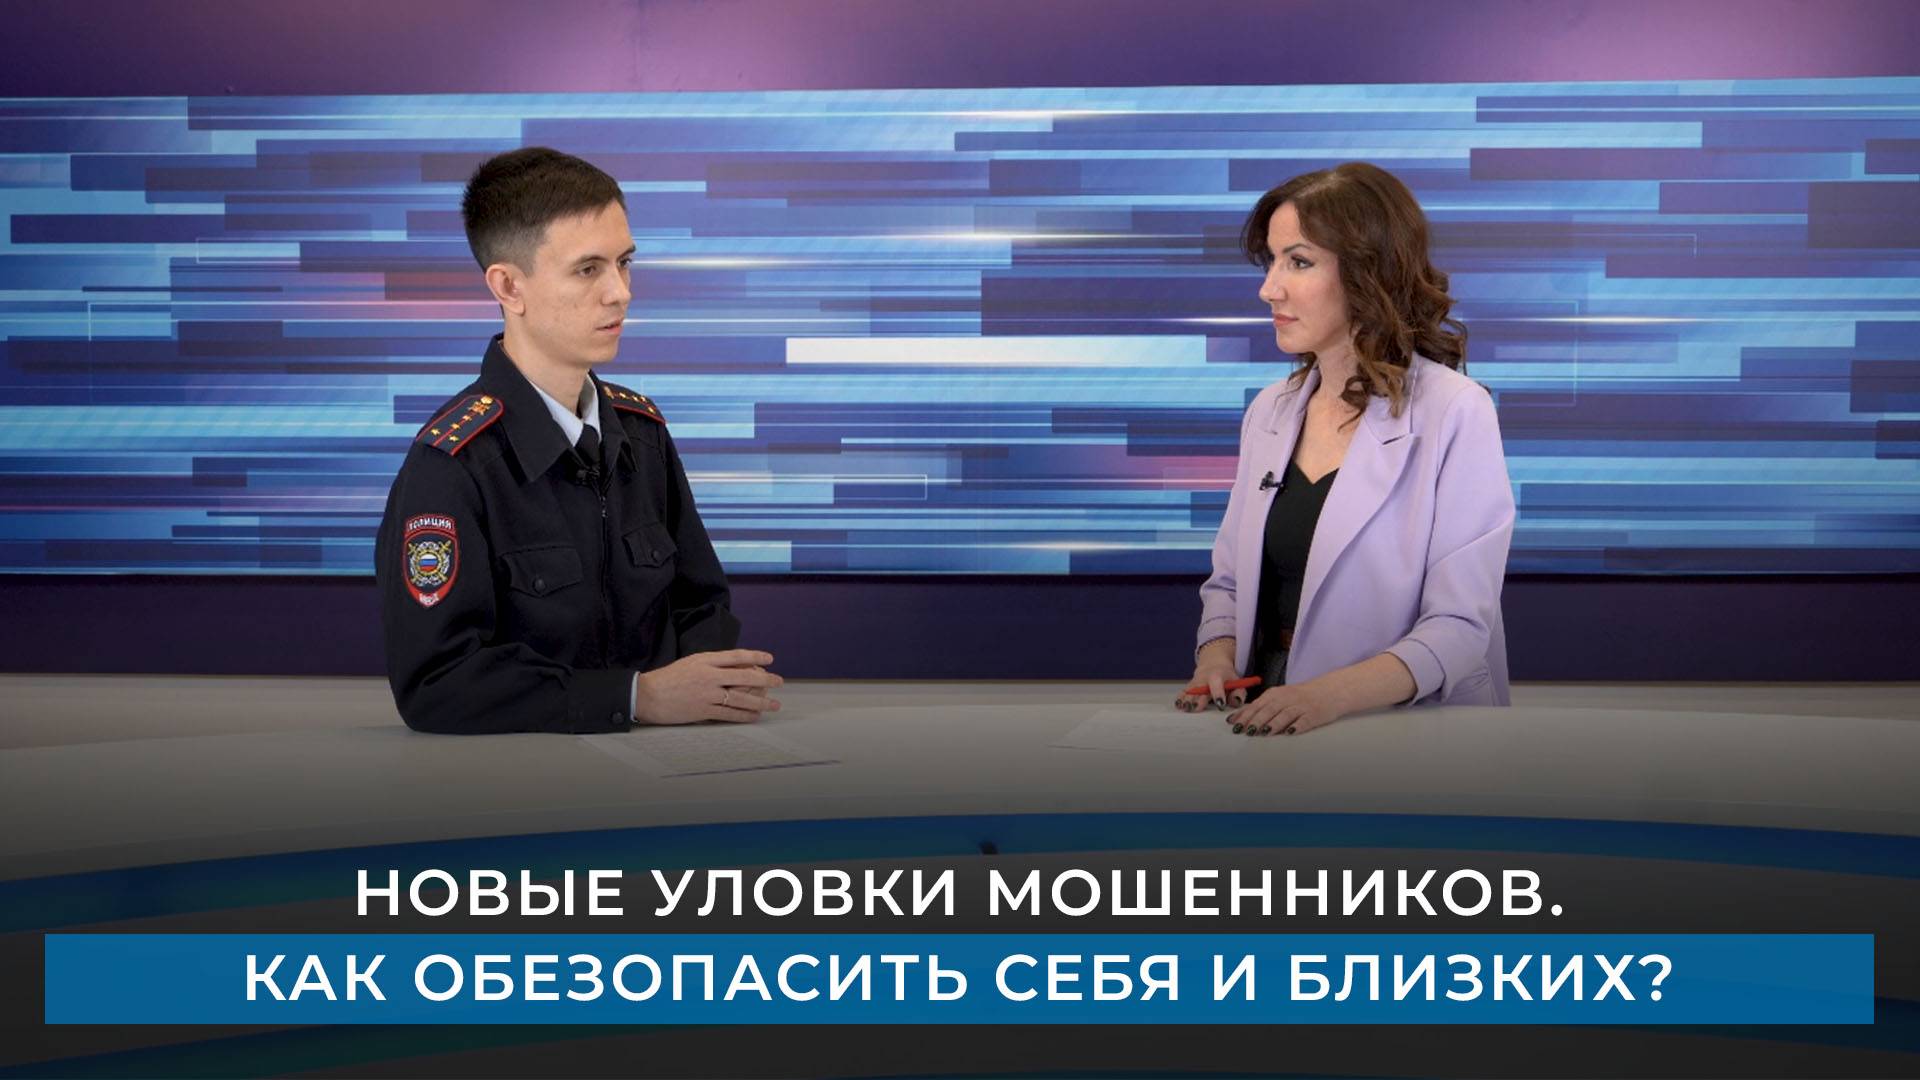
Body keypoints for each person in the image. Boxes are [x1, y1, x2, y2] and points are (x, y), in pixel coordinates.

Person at [376, 147, 781, 734]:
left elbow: (701, 602)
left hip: (674, 762)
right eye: (588, 269)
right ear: (509, 286)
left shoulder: (642, 433)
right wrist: (636, 697)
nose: (620, 293)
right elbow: (436, 684)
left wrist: (711, 684)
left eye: (624, 263)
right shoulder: (452, 465)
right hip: (527, 776)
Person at [1180, 162, 1514, 736]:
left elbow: (1459, 627)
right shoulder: (1270, 410)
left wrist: (1325, 697)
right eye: (1271, 261)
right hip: (1264, 705)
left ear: (1368, 273)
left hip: (1398, 725)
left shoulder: (1457, 410)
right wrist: (1216, 655)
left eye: (1299, 262)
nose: (1269, 289)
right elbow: (1230, 582)